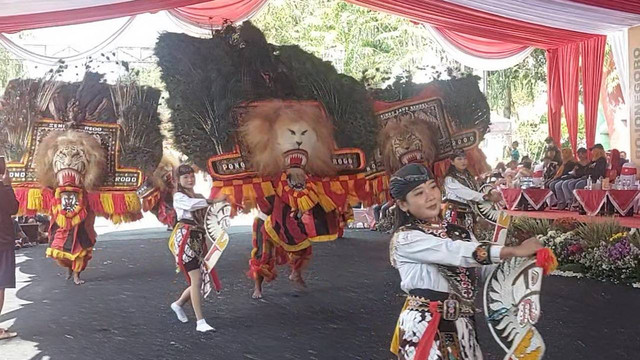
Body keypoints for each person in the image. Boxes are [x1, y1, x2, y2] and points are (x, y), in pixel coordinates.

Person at [388, 163, 543, 360]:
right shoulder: (406, 238)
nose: (430, 196)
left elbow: (484, 270)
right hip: (426, 323)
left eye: (433, 187)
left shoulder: (459, 232)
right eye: (419, 193)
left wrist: (521, 260)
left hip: (463, 324)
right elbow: (454, 251)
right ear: (403, 204)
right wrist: (510, 250)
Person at [168, 164, 225, 333]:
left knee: (198, 280)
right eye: (185, 177)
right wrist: (214, 200)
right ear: (178, 180)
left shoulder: (198, 196)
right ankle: (200, 322)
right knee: (197, 279)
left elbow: (209, 215)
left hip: (198, 239)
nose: (190, 179)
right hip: (185, 239)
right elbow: (192, 205)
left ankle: (178, 304)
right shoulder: (179, 196)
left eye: (192, 176)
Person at [443, 150, 501, 231]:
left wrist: (491, 191)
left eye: (465, 159)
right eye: (459, 159)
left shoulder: (468, 176)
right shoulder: (450, 179)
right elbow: (465, 192)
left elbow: (477, 189)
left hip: (469, 213)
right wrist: (486, 197)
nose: (463, 161)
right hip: (456, 215)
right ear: (452, 162)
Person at [558, 144, 608, 210]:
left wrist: (589, 171)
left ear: (598, 150)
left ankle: (578, 202)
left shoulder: (602, 160)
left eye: (593, 150)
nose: (592, 152)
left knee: (578, 185)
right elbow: (586, 170)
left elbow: (598, 172)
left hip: (595, 180)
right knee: (569, 184)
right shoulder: (593, 160)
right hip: (586, 177)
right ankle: (570, 202)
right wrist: (589, 170)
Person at [0, 169, 19, 340]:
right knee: (0, 285)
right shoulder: (2, 189)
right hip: (2, 242)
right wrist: (7, 186)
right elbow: (13, 208)